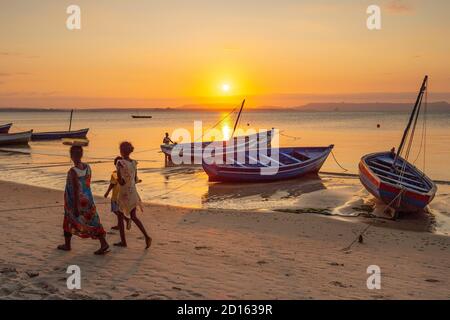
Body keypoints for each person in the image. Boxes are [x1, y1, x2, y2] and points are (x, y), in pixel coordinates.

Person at [58, 145, 110, 255]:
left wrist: (76, 206)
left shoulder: (73, 171)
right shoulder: (88, 167)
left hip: (75, 201)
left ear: (71, 156)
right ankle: (103, 243)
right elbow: (86, 184)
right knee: (94, 221)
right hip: (88, 200)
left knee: (68, 220)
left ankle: (67, 245)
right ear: (81, 155)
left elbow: (76, 189)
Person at [116, 141, 152, 249]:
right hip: (133, 192)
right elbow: (135, 179)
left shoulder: (119, 163)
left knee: (119, 215)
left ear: (121, 151)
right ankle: (147, 236)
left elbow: (121, 181)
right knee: (134, 217)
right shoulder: (134, 163)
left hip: (124, 193)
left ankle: (123, 241)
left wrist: (119, 179)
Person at [104, 156, 131, 234]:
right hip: (123, 194)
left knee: (116, 210)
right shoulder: (126, 172)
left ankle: (126, 219)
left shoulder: (115, 173)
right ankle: (119, 225)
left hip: (116, 195)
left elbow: (112, 184)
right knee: (119, 210)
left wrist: (107, 192)